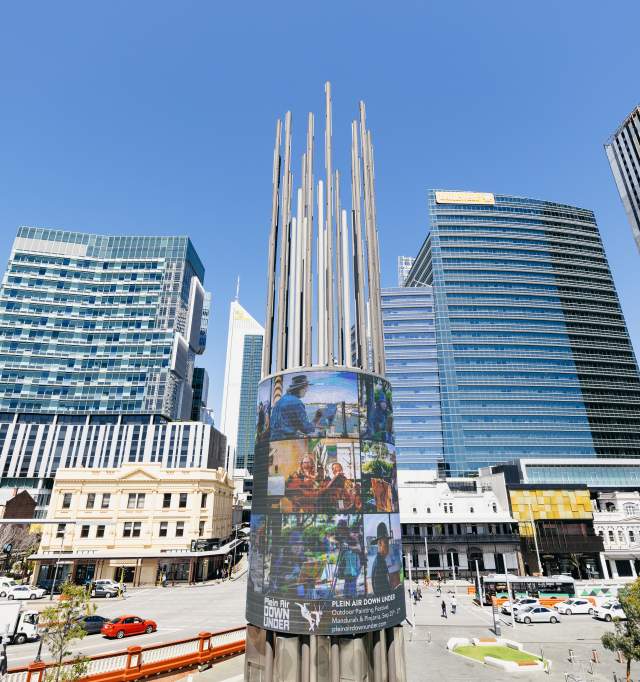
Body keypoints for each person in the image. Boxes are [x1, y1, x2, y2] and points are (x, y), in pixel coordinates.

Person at [270, 375, 321, 440]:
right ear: (300, 388)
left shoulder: (280, 401)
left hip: (273, 441)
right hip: (286, 442)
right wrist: (317, 418)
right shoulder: (296, 403)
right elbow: (306, 429)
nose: (306, 391)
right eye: (306, 388)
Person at [369, 522, 392, 595]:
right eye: (386, 542)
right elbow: (381, 590)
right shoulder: (380, 562)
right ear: (379, 544)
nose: (388, 546)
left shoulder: (379, 560)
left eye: (388, 542)